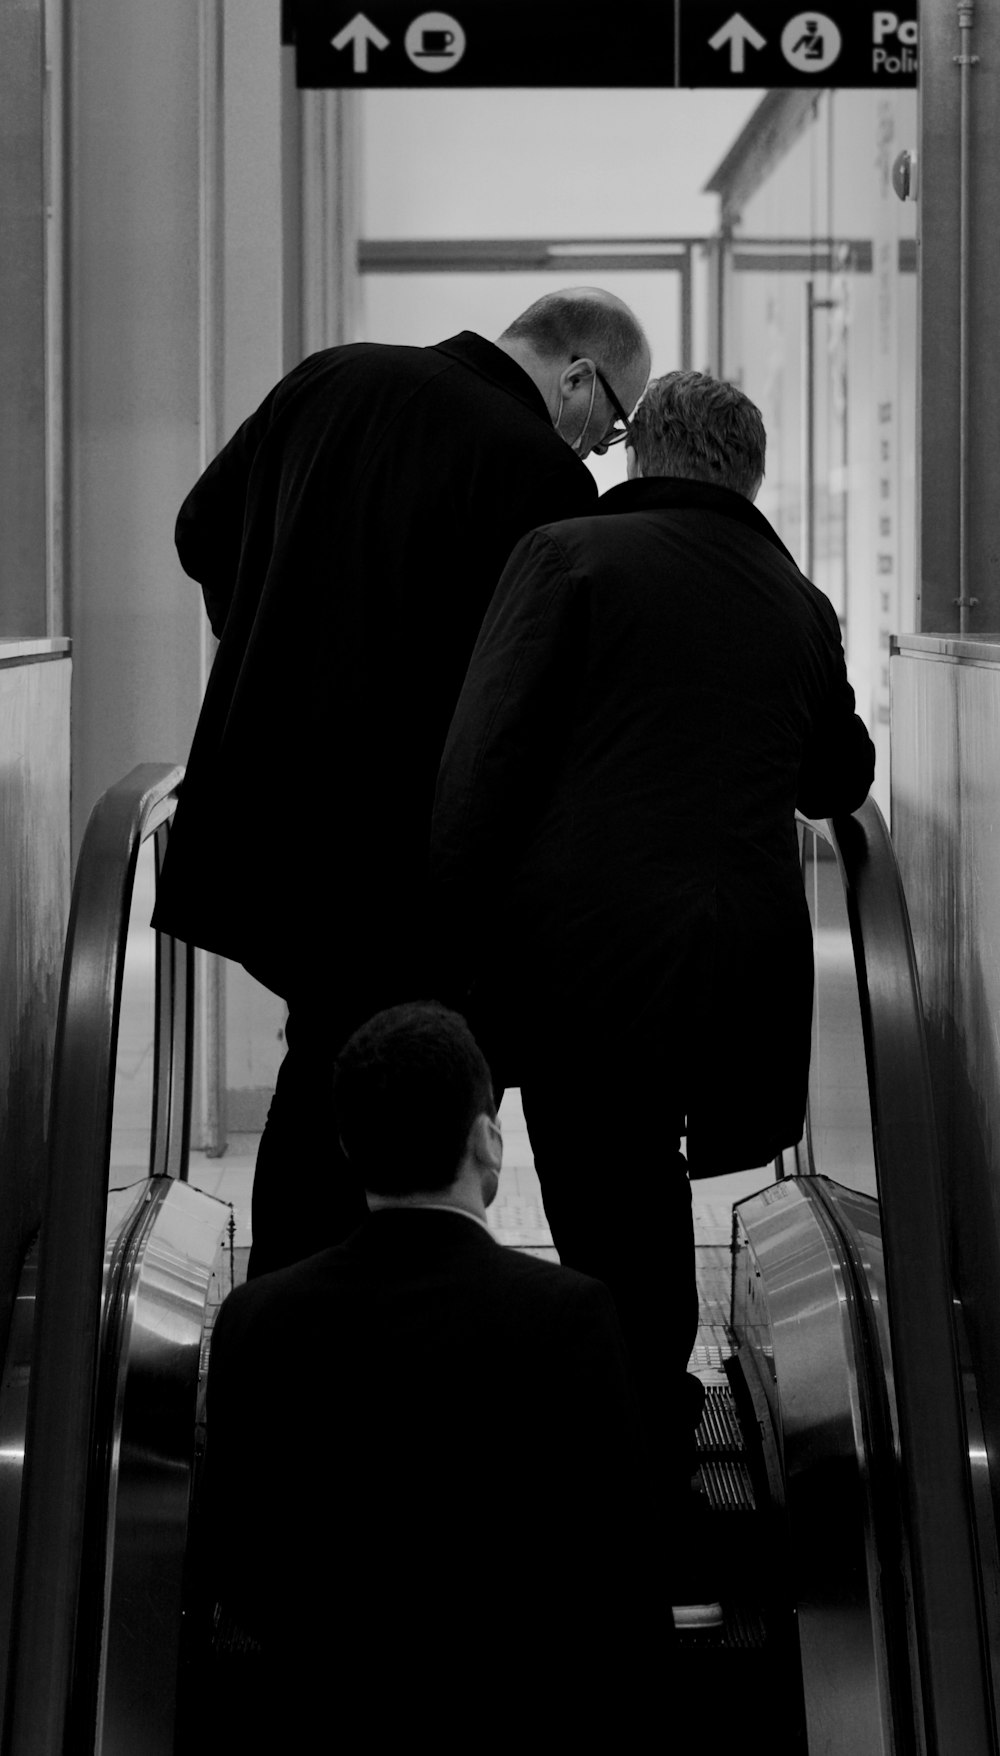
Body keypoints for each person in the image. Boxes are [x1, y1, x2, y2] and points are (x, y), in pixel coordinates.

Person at [430, 369, 877, 1486]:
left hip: (587, 948)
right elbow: (835, 778)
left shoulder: (565, 554)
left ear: (642, 454)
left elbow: (484, 758)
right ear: (749, 472)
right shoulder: (795, 599)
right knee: (642, 1179)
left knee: (601, 1178)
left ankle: (616, 1424)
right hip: (739, 955)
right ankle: (647, 1411)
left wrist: (452, 938)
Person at [152, 289, 651, 1278]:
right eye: (614, 422)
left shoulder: (329, 377)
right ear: (578, 376)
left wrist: (268, 646)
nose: (603, 447)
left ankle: (291, 1332)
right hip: (406, 847)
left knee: (325, 1068)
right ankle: (366, 1349)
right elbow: (529, 689)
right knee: (405, 1104)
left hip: (270, 823)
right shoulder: (539, 474)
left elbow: (200, 531)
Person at [194, 1000, 669, 1747]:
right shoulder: (570, 1316)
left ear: (347, 1144)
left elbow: (239, 1564)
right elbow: (623, 1572)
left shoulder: (256, 1319)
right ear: (488, 1139)